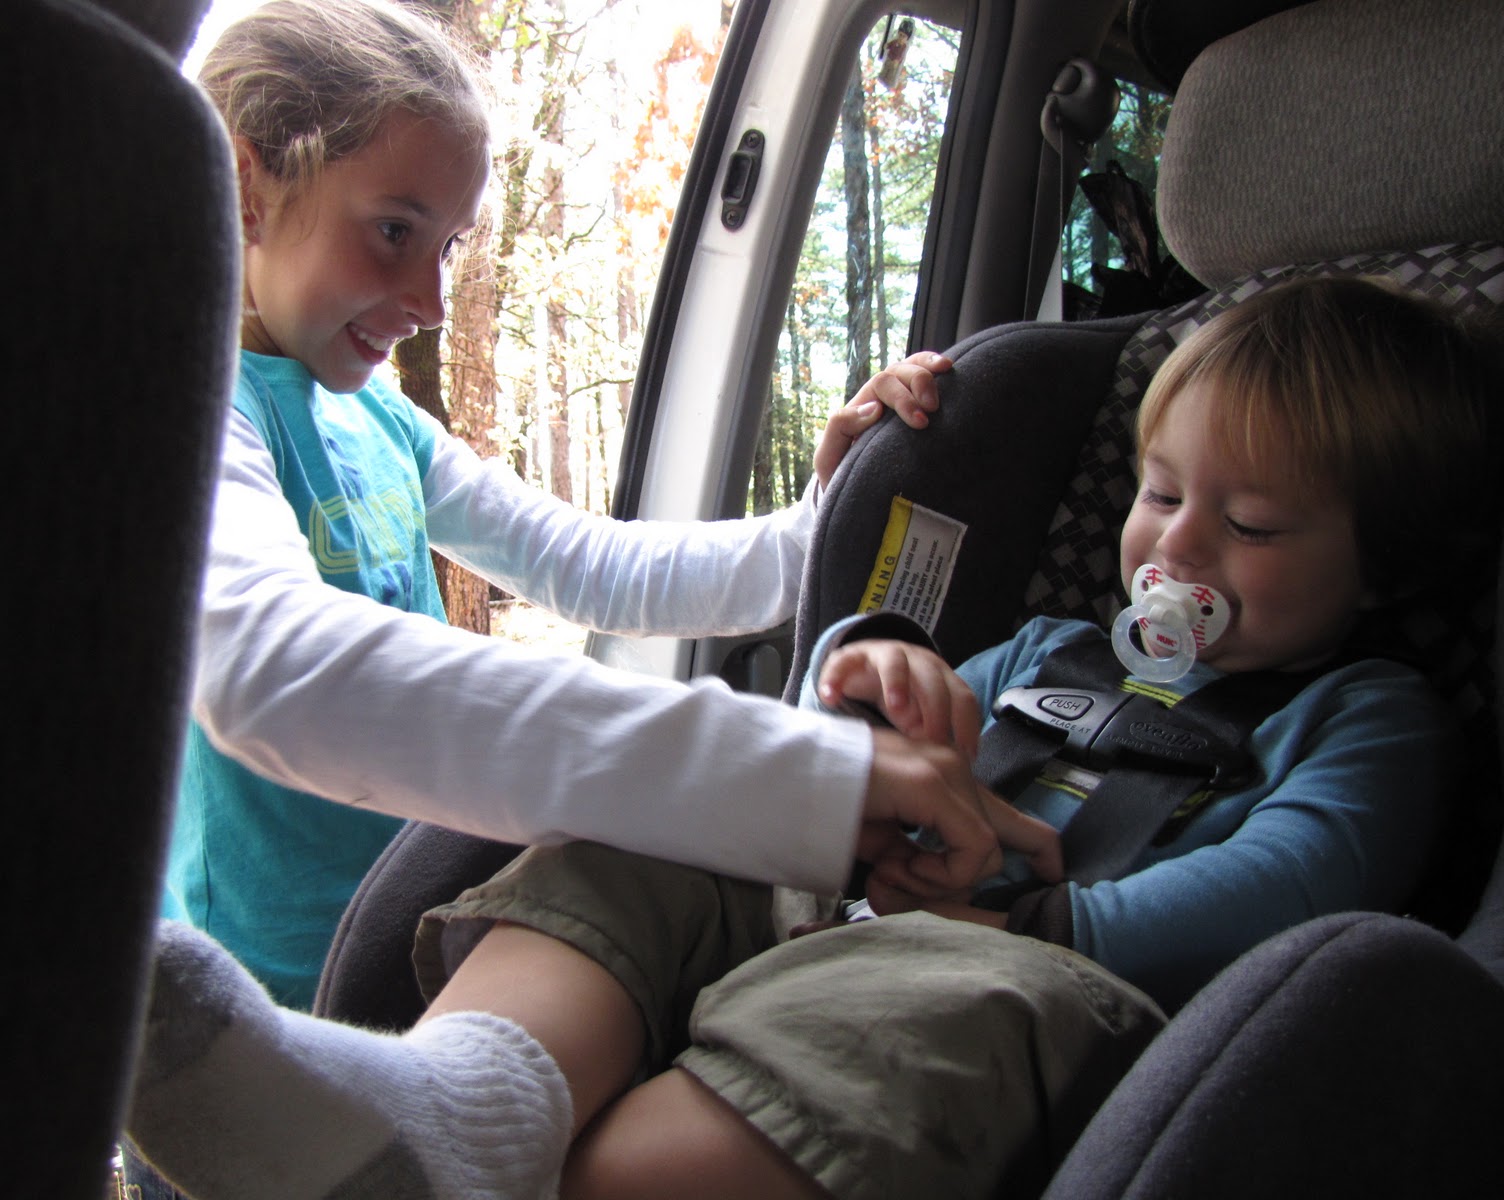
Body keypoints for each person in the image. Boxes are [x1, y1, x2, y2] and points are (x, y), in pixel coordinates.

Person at [124, 276, 1498, 1199]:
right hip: (846, 898)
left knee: (915, 1015)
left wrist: (1058, 923)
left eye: (1248, 526)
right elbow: (863, 735)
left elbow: (1301, 881)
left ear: (1382, 564)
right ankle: (460, 1112)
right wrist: (870, 672)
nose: (1176, 549)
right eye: (1158, 494)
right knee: (651, 844)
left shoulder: (1362, 715)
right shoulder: (1051, 650)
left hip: (1042, 980)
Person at [124, 1, 1052, 1196]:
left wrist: (827, 514)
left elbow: (597, 568)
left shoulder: (382, 422)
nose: (431, 299)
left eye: (448, 247)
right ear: (248, 187)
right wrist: (806, 780)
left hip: (432, 954)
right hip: (261, 1040)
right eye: (394, 230)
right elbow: (276, 670)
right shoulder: (194, 405)